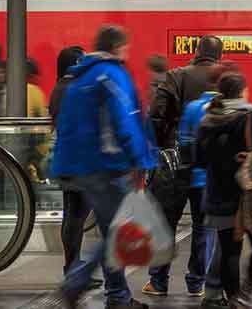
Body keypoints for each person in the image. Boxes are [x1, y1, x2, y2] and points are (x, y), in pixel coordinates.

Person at [51, 25, 156, 309]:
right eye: (126, 48)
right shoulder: (111, 75)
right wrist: (140, 160)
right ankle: (77, 283)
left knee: (114, 229)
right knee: (116, 232)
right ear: (118, 47)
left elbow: (65, 124)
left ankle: (117, 295)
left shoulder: (78, 76)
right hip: (106, 166)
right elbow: (125, 121)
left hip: (78, 165)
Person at [142, 62, 227, 299]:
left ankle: (158, 281)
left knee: (167, 224)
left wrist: (159, 151)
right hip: (207, 179)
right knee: (204, 229)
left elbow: (173, 131)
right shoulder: (222, 109)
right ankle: (196, 283)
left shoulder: (189, 103)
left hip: (180, 172)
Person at [196, 70, 252, 306]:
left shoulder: (208, 119)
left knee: (229, 249)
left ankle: (232, 298)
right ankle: (246, 292)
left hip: (219, 194)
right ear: (243, 91)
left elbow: (199, 160)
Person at [48, 46, 94, 282]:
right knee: (76, 216)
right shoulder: (70, 88)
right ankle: (72, 269)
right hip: (76, 160)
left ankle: (74, 266)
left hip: (69, 158)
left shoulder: (60, 88)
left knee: (75, 214)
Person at [149, 35, 224, 150]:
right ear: (221, 56)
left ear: (196, 51)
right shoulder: (226, 78)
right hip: (217, 147)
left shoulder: (175, 76)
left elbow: (157, 113)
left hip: (181, 148)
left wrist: (162, 143)